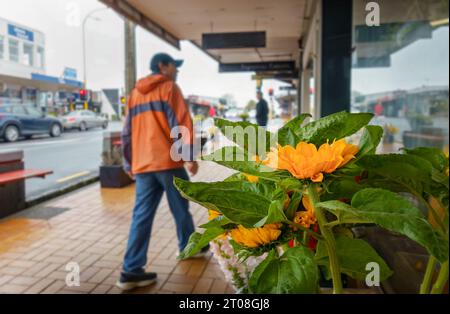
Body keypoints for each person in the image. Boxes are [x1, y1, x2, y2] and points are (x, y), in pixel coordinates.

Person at [117, 52, 207, 291]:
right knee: (180, 208)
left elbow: (126, 133)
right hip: (168, 163)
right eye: (173, 66)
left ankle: (131, 270)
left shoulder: (135, 94)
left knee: (141, 216)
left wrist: (129, 164)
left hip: (143, 165)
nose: (176, 70)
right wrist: (189, 158)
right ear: (162, 66)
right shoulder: (169, 88)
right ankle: (189, 246)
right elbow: (180, 123)